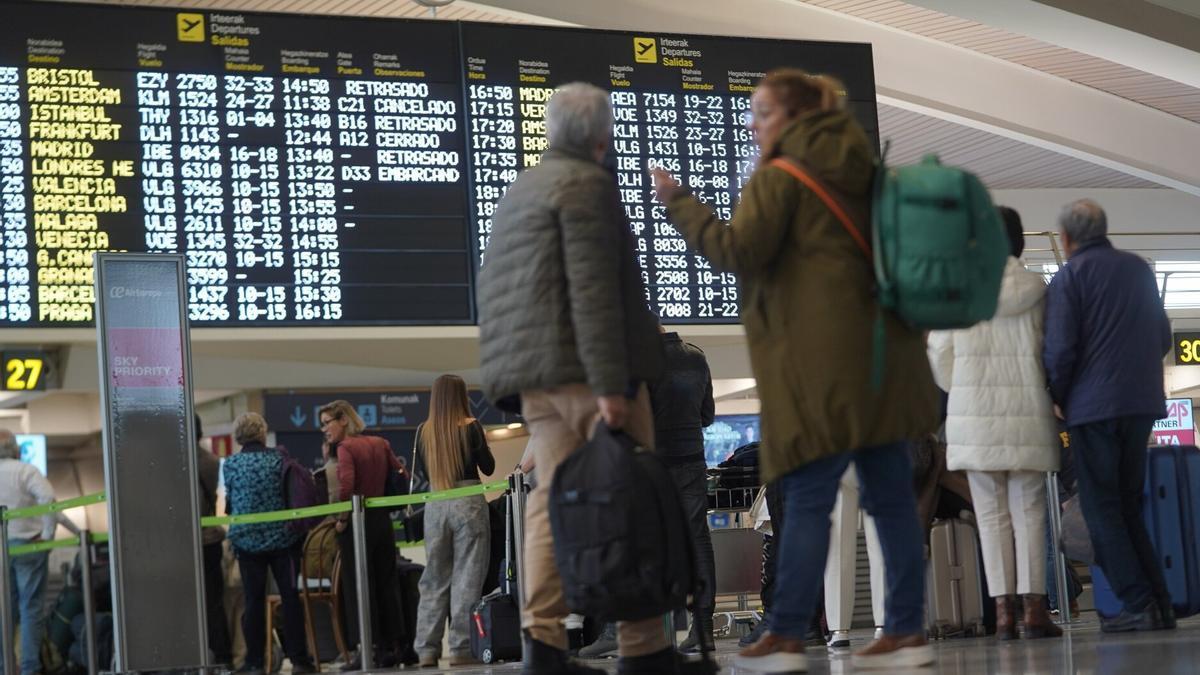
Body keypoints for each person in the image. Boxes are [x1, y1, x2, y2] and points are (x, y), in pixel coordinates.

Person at [651, 68, 940, 672]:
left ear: (794, 117)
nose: (752, 125)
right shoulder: (870, 174)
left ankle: (785, 635)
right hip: (885, 367)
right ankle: (905, 631)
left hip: (821, 372)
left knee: (806, 500)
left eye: (761, 113)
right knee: (889, 503)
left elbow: (736, 251)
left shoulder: (782, 175)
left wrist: (678, 202)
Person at [477, 82, 667, 675]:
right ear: (603, 137)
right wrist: (611, 385)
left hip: (536, 378)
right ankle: (643, 647)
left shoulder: (521, 189)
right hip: (588, 372)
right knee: (630, 496)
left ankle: (543, 647)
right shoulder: (587, 186)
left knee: (549, 503)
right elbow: (592, 289)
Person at [927, 206, 1063, 641]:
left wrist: (965, 386)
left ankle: (1003, 614)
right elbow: (1053, 350)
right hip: (1027, 414)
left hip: (975, 419)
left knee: (989, 516)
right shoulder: (1037, 290)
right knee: (1030, 512)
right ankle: (1035, 611)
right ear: (1018, 242)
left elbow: (939, 355)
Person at [1043, 198, 1174, 633]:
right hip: (1141, 404)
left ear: (1066, 239)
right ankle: (1159, 605)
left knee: (1101, 510)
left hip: (1093, 409)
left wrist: (1059, 395)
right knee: (1128, 506)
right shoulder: (1138, 269)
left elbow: (1060, 349)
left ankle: (1138, 602)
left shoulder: (1070, 277)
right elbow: (1162, 336)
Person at [412, 374, 496, 667]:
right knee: (467, 577)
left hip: (436, 504)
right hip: (468, 502)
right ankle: (461, 648)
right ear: (462, 396)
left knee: (434, 579)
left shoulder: (423, 431)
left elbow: (425, 473)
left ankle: (426, 649)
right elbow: (488, 467)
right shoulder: (471, 426)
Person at [221, 413, 316, 675]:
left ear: (238, 436)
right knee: (290, 598)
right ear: (262, 432)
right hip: (282, 540)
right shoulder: (278, 459)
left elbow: (231, 502)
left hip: (247, 541)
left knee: (253, 601)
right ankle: (299, 660)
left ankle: (254, 662)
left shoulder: (231, 464)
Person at [320, 400, 405, 668]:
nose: (324, 429)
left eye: (327, 423)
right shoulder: (380, 443)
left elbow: (347, 487)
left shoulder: (346, 447)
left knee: (357, 586)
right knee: (386, 584)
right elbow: (401, 473)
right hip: (382, 522)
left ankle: (366, 649)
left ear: (343, 419)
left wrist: (342, 520)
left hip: (357, 523)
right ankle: (393, 647)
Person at [0, 429, 56, 675]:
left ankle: (4, 667)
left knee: (5, 611)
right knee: (30, 608)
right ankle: (30, 668)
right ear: (16, 448)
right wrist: (48, 535)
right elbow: (48, 497)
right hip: (29, 546)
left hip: (2, 549)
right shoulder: (26, 470)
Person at [195, 415, 233, 666]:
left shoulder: (175, 463)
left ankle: (197, 657)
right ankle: (222, 657)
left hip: (187, 543)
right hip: (211, 541)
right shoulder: (211, 460)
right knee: (214, 602)